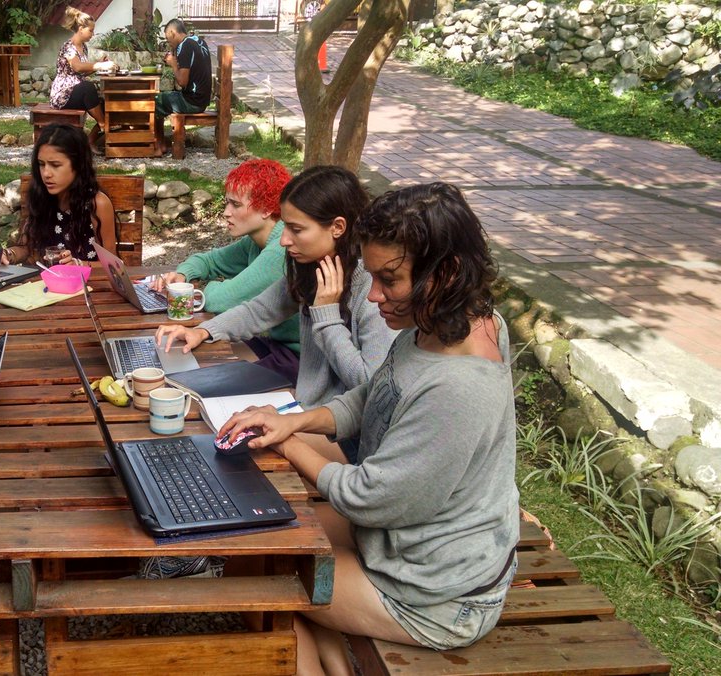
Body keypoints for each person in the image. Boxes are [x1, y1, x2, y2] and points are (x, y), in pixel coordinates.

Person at [218, 182, 520, 675]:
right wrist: (293, 419)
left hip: (432, 593)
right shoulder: (455, 319)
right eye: (373, 275)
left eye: (390, 279)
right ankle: (339, 663)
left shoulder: (460, 385)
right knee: (253, 536)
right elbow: (376, 393)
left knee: (256, 576)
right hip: (402, 543)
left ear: (446, 272)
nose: (374, 294)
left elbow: (370, 496)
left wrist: (292, 445)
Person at [154, 165, 396, 413]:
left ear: (337, 227)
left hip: (343, 430)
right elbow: (259, 310)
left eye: (296, 229)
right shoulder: (312, 266)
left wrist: (327, 317)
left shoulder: (370, 288)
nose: (283, 240)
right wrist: (203, 332)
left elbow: (370, 385)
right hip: (309, 407)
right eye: (285, 226)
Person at [150, 158, 300, 377]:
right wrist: (184, 274)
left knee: (192, 374)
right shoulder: (255, 240)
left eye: (236, 205)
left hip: (297, 359)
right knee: (182, 359)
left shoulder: (280, 250)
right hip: (270, 342)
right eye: (227, 203)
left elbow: (220, 302)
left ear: (267, 209)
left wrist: (202, 287)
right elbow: (208, 260)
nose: (226, 212)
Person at [3, 124, 116, 266]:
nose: (46, 173)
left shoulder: (96, 204)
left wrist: (78, 265)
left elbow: (112, 265)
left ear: (78, 166)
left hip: (87, 286)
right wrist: (6, 255)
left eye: (55, 165)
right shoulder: (42, 196)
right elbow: (27, 248)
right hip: (46, 285)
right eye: (41, 164)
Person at [49, 7, 111, 150]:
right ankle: (104, 126)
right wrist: (100, 65)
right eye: (90, 30)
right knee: (88, 87)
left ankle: (90, 142)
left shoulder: (84, 47)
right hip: (63, 95)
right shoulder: (68, 47)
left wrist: (100, 63)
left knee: (105, 104)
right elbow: (77, 67)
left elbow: (81, 73)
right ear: (81, 28)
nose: (92, 34)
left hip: (77, 90)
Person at [155, 18, 211, 156]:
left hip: (192, 102)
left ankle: (158, 145)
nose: (169, 44)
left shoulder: (184, 47)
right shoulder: (197, 41)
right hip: (202, 99)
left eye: (168, 40)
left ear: (173, 33)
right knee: (164, 97)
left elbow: (182, 82)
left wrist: (173, 64)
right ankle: (161, 143)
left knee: (154, 100)